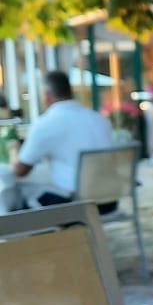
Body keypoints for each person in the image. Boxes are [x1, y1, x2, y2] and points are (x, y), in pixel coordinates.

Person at [0, 70, 113, 214]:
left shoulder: (46, 124)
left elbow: (20, 171)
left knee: (16, 197)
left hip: (75, 205)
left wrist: (13, 147)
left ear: (46, 95)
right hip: (109, 201)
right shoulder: (99, 120)